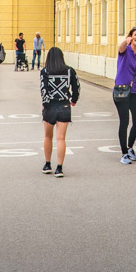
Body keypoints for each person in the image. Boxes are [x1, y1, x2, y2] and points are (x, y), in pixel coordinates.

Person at [39, 47, 80, 178]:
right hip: (64, 106)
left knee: (48, 136)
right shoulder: (70, 71)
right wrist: (73, 100)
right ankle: (59, 168)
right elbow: (77, 86)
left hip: (50, 106)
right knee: (61, 138)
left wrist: (45, 104)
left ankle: (47, 164)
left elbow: (43, 89)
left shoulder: (45, 71)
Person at [114, 27, 136, 165]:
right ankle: (123, 154)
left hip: (134, 91)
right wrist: (125, 41)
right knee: (124, 121)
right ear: (131, 37)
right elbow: (120, 48)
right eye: (135, 35)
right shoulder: (125, 50)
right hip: (121, 91)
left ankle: (129, 147)